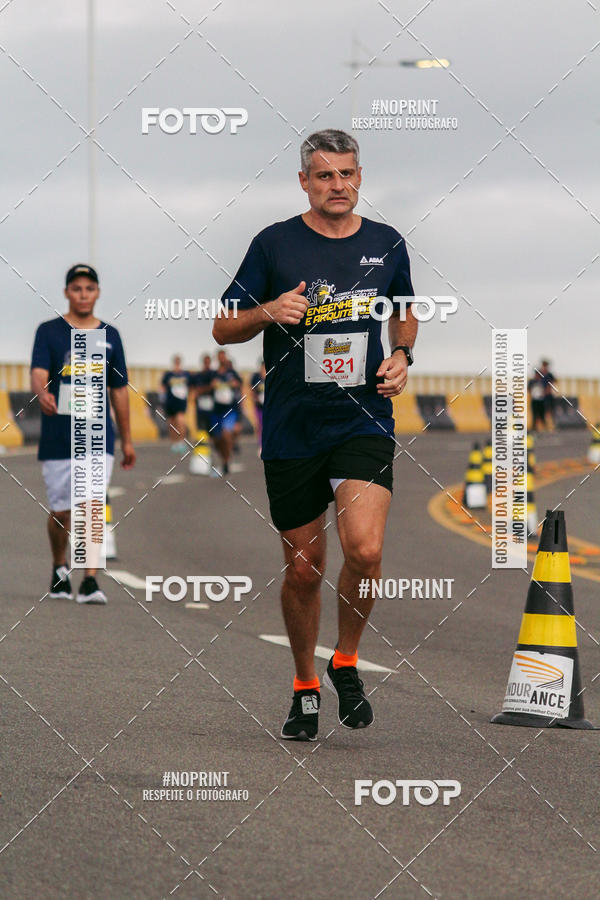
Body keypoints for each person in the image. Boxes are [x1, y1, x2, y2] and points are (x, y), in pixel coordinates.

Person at [213, 129, 417, 740]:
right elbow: (224, 327)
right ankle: (305, 684)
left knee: (366, 550)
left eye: (347, 174)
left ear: (360, 178)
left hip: (363, 418)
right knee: (304, 570)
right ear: (304, 181)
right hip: (293, 425)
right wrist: (266, 312)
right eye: (325, 176)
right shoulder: (273, 244)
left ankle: (346, 661)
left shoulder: (387, 243)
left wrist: (402, 355)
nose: (338, 186)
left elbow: (404, 307)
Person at [30, 264, 136, 604]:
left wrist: (127, 439)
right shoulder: (49, 331)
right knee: (62, 511)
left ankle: (90, 580)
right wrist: (42, 392)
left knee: (91, 505)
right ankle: (60, 567)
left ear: (98, 293)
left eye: (89, 288)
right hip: (59, 435)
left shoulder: (110, 335)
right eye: (76, 288)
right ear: (67, 293)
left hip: (96, 435)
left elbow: (119, 390)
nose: (83, 294)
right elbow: (38, 372)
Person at [210, 350, 242, 476]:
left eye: (223, 357)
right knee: (217, 440)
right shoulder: (213, 374)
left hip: (230, 410)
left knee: (226, 434)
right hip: (216, 410)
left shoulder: (231, 373)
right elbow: (205, 387)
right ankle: (224, 458)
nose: (221, 359)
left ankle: (227, 460)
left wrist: (233, 384)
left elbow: (239, 384)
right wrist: (211, 386)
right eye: (219, 357)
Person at [161, 355, 191, 452]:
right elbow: (163, 386)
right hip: (170, 402)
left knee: (180, 421)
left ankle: (181, 441)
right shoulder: (168, 375)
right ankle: (174, 442)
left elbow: (191, 386)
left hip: (181, 402)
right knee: (172, 423)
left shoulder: (186, 374)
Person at [250, 360, 267, 453]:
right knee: (260, 425)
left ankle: (267, 443)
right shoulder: (256, 377)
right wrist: (256, 398)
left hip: (269, 405)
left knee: (268, 424)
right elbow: (252, 390)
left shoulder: (271, 374)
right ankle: (261, 445)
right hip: (259, 406)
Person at [540, 359, 556, 430]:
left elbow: (554, 381)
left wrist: (549, 388)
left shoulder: (549, 374)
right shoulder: (540, 374)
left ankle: (551, 425)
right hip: (541, 396)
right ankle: (544, 426)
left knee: (550, 411)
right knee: (542, 411)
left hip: (548, 395)